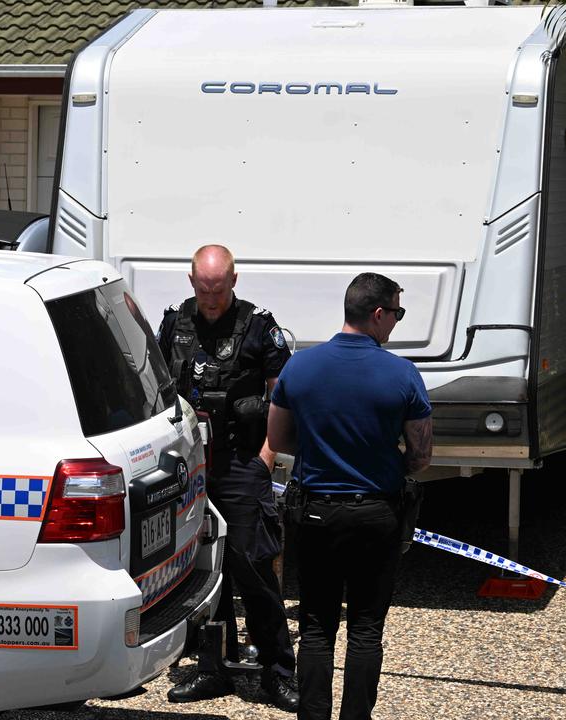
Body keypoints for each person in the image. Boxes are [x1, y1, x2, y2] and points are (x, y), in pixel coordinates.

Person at [266, 272, 432, 720]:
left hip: (316, 512)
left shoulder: (299, 367)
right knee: (365, 628)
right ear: (378, 314)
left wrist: (324, 445)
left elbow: (278, 439)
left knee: (317, 626)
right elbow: (420, 456)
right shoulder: (402, 373)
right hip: (377, 513)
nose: (396, 321)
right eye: (396, 312)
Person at [158, 244, 299, 712]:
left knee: (253, 569)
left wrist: (266, 459)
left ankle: (279, 672)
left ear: (234, 282)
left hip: (242, 463)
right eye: (204, 289)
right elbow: (159, 394)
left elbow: (283, 402)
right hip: (192, 464)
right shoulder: (175, 325)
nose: (211, 299)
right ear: (192, 281)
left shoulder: (260, 327)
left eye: (219, 290)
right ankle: (214, 666)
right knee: (203, 572)